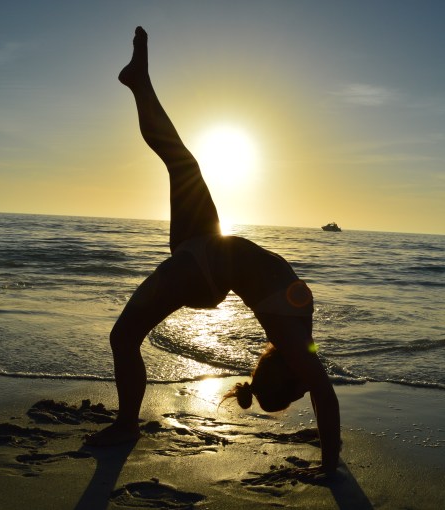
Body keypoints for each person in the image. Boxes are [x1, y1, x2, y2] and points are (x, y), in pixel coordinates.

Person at [85, 27, 341, 474]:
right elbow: (320, 388)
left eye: (295, 390)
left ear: (284, 375)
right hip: (209, 243)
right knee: (182, 160)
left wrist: (329, 462)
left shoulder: (293, 341)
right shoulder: (300, 340)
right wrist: (331, 450)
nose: (306, 388)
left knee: (123, 337)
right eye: (300, 391)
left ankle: (127, 425)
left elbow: (322, 392)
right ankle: (139, 82)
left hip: (203, 270)